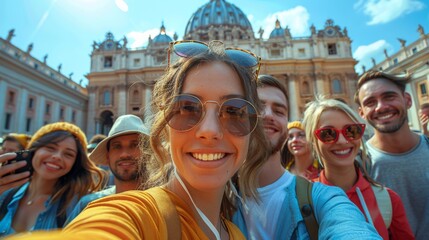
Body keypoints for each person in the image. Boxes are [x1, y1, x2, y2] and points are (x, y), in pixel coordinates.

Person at [5, 40, 267, 239]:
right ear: (162, 126)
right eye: (187, 108)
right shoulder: (130, 214)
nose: (210, 130)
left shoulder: (233, 231)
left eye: (234, 110)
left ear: (253, 128)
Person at [233, 75, 380, 239]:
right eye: (257, 107)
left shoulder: (325, 198)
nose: (268, 115)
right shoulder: (217, 196)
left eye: (279, 111)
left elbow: (350, 228)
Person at [304, 96, 414, 239]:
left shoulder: (388, 199)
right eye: (328, 133)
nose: (343, 141)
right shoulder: (302, 199)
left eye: (351, 130)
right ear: (313, 141)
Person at [355, 70, 429, 239]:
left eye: (389, 97)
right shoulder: (357, 166)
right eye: (370, 102)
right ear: (362, 113)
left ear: (408, 100)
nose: (381, 107)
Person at [0, 122, 105, 237]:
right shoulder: (5, 194)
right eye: (50, 148)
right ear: (33, 150)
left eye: (68, 154)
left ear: (75, 163)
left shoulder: (79, 206)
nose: (57, 156)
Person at [65, 114, 150, 223]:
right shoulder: (88, 205)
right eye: (117, 146)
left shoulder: (164, 203)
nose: (124, 154)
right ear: (108, 156)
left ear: (149, 153)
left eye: (135, 145)